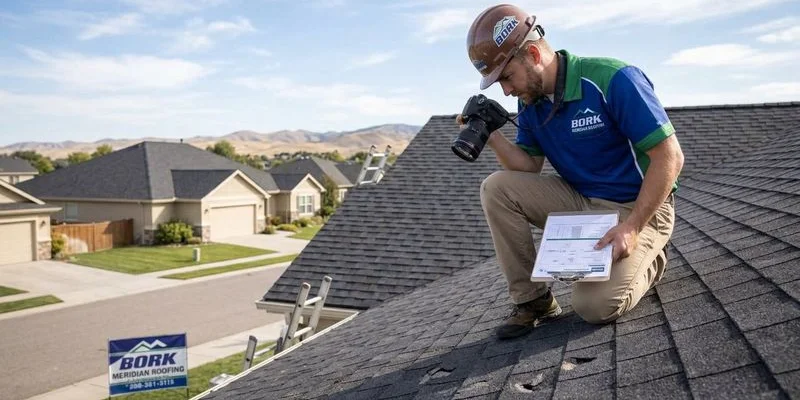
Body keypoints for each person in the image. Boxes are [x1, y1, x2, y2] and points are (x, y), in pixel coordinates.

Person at [461, 4, 684, 339]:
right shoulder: (530, 102)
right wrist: (492, 136)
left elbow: (670, 158)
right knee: (497, 187)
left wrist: (633, 228)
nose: (506, 91)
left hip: (637, 207)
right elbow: (528, 167)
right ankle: (534, 302)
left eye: (507, 77)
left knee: (594, 307)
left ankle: (651, 255)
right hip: (580, 201)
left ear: (534, 53)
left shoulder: (612, 79)